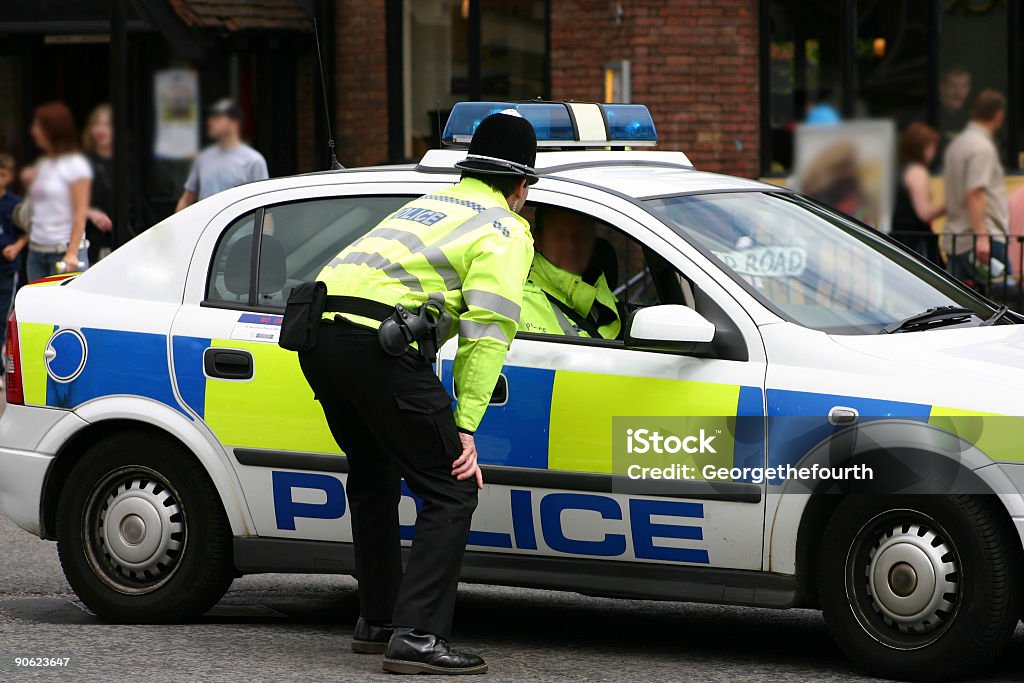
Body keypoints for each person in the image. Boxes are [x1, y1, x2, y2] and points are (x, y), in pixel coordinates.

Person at [297, 111, 536, 675]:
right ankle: (419, 637)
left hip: (317, 338)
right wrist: (466, 425)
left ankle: (377, 620)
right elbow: (488, 327)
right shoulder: (504, 228)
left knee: (375, 473)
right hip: (377, 347)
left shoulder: (433, 205)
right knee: (452, 488)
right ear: (522, 186)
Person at [519, 206, 621, 338]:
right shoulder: (521, 299)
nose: (571, 246)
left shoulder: (598, 291)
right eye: (559, 235)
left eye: (580, 235)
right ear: (538, 240)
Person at [942, 89, 1009, 286]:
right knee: (1006, 303)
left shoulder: (957, 144)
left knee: (953, 303)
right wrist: (982, 237)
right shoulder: (982, 148)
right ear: (998, 116)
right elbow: (975, 193)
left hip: (956, 238)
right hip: (981, 239)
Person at [25, 102, 92, 282]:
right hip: (36, 253)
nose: (33, 131)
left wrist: (72, 253)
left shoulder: (75, 165)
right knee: (37, 309)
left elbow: (80, 211)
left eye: (38, 125)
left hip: (63, 255)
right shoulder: (43, 164)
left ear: (52, 129)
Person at [175, 99, 268, 211]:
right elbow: (187, 198)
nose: (210, 121)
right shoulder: (203, 159)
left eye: (217, 118)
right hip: (206, 227)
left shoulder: (254, 161)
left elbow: (264, 203)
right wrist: (175, 227)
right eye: (210, 118)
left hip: (240, 228)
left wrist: (267, 228)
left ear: (234, 123)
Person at [892, 122, 944, 263]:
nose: (934, 152)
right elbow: (924, 213)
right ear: (921, 148)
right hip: (914, 243)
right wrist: (949, 206)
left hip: (897, 239)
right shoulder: (917, 172)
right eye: (932, 147)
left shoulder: (897, 170)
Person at [82, 104, 115, 263]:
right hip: (90, 238)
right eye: (97, 124)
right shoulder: (83, 162)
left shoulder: (127, 163)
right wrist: (91, 213)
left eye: (107, 124)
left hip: (121, 238)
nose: (101, 130)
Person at [0, 153, 25, 361]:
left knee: (3, 317)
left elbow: (28, 230)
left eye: (2, 174)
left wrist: (16, 247)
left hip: (7, 268)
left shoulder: (15, 203)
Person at [936, 66, 972, 166]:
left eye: (964, 86)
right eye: (953, 86)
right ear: (941, 87)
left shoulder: (971, 121)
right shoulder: (929, 118)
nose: (958, 92)